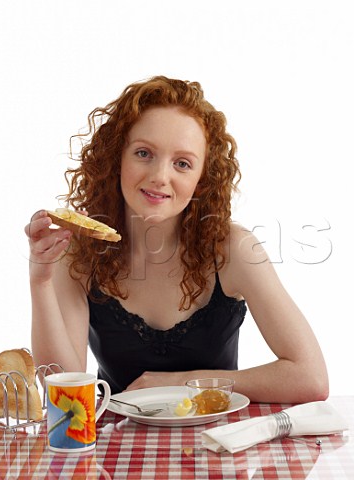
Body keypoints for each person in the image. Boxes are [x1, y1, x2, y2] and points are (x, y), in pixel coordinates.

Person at [25, 75, 329, 403]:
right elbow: (65, 393)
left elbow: (310, 377)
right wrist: (40, 282)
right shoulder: (79, 255)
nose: (159, 176)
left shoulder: (233, 249)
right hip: (118, 447)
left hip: (218, 445)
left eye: (182, 163)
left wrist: (183, 383)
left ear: (202, 179)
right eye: (143, 153)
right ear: (116, 159)